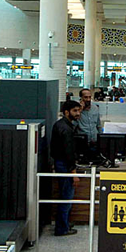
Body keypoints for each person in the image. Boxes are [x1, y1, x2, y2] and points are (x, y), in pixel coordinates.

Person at [50, 100, 82, 236]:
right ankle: (62, 228)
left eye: (79, 111)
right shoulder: (66, 129)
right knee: (66, 197)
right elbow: (69, 153)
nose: (78, 113)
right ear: (66, 112)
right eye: (75, 111)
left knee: (65, 195)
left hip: (60, 163)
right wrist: (74, 173)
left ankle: (64, 223)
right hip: (65, 165)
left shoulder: (60, 125)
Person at [75, 88, 102, 156]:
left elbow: (98, 125)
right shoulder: (75, 109)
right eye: (85, 97)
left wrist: (101, 138)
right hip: (82, 143)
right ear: (81, 98)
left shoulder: (95, 108)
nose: (88, 99)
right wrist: (80, 111)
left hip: (95, 142)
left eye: (90, 97)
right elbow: (72, 125)